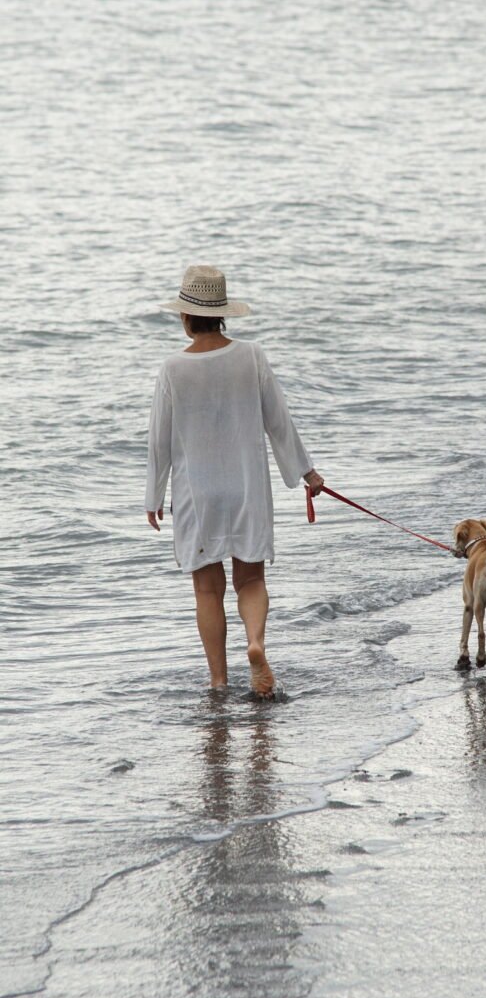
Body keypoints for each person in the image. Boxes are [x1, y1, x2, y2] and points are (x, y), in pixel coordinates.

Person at [145, 265, 324, 696]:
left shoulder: (173, 368)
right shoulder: (251, 355)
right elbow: (278, 421)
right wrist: (306, 473)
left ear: (186, 317)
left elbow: (159, 440)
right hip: (246, 486)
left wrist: (153, 494)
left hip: (197, 493)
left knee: (208, 591)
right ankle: (257, 644)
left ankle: (219, 682)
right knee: (251, 581)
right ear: (222, 314)